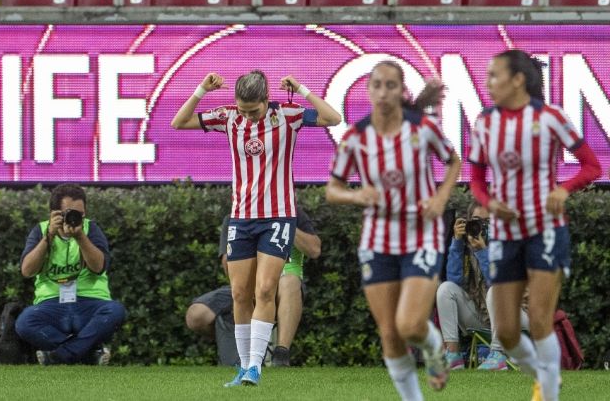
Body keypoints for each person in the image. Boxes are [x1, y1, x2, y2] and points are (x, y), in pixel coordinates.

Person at [171, 70, 341, 386]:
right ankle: (244, 365)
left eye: (254, 111)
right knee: (239, 293)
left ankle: (254, 367)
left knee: (265, 289)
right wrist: (201, 90)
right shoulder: (228, 117)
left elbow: (334, 118)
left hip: (278, 216)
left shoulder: (288, 115)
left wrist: (301, 88)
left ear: (266, 100)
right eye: (243, 110)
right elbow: (178, 122)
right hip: (241, 218)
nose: (248, 117)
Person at [468, 49, 601, 401]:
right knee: (509, 332)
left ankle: (547, 391)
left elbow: (592, 166)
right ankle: (543, 372)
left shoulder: (552, 117)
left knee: (541, 319)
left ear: (517, 80)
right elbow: (476, 178)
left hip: (547, 229)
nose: (487, 83)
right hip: (506, 234)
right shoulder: (484, 122)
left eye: (494, 75)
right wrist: (489, 201)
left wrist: (563, 189)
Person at [325, 61, 461, 400]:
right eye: (377, 85)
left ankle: (433, 351)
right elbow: (332, 189)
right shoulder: (356, 136)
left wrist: (441, 197)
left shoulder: (423, 128)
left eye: (391, 85)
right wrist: (357, 195)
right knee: (389, 334)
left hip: (421, 235)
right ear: (368, 90)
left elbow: (453, 161)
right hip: (378, 239)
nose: (383, 92)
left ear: (402, 91)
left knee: (411, 325)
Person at [185, 206, 321, 367]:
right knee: (196, 315)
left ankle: (281, 355)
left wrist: (287, 223)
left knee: (289, 282)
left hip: (283, 284)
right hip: (247, 284)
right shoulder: (235, 216)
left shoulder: (294, 211)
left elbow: (314, 250)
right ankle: (237, 341)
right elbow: (228, 264)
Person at [15, 184, 126, 365]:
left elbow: (99, 267)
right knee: (25, 322)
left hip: (89, 302)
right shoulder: (41, 230)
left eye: (80, 215)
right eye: (69, 213)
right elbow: (27, 270)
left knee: (115, 311)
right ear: (54, 213)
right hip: (52, 304)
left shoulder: (91, 229)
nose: (74, 219)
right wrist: (48, 237)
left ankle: (59, 355)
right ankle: (88, 353)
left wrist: (80, 237)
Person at [437, 201, 529, 371]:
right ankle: (453, 355)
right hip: (485, 318)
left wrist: (482, 252)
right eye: (477, 221)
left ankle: (497, 354)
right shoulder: (467, 245)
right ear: (469, 222)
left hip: (518, 317)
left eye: (487, 222)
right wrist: (456, 242)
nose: (481, 226)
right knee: (445, 289)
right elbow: (454, 281)